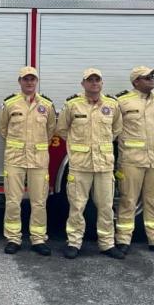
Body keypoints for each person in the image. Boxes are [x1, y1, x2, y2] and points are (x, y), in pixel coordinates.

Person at [56, 68, 124, 260]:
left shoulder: (112, 105)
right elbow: (62, 129)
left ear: (102, 83)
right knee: (77, 206)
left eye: (97, 80)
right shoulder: (72, 105)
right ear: (83, 84)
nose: (94, 83)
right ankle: (74, 242)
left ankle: (107, 244)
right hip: (80, 165)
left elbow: (117, 129)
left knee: (106, 206)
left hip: (103, 165)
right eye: (90, 80)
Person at [114, 66, 154, 256]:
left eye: (152, 76)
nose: (151, 79)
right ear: (135, 82)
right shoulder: (122, 102)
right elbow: (115, 129)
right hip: (131, 161)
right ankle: (123, 239)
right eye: (146, 77)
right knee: (128, 201)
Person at [0, 66, 56, 256]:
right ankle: (13, 238)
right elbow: (3, 129)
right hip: (14, 159)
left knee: (39, 201)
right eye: (25, 79)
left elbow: (50, 130)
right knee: (13, 201)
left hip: (39, 160)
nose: (29, 82)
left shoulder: (46, 105)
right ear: (19, 81)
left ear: (36, 81)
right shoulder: (10, 104)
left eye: (32, 79)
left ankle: (38, 239)